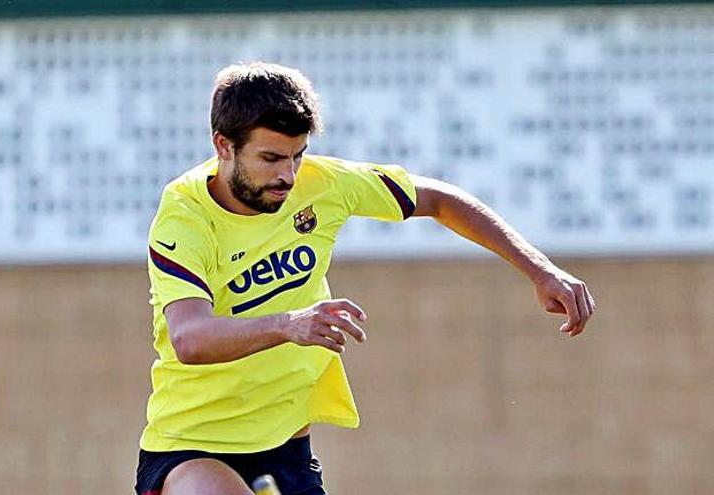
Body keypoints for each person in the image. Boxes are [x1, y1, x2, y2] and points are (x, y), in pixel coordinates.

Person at [136, 62, 595, 495]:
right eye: (271, 157)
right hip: (191, 445)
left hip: (286, 446)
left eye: (297, 156)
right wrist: (289, 324)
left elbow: (439, 200)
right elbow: (190, 338)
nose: (288, 176)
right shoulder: (184, 215)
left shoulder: (324, 183)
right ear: (224, 146)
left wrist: (541, 270)